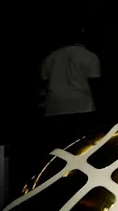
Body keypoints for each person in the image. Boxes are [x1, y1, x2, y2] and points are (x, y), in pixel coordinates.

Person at [38, 23, 102, 152]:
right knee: (81, 147)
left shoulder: (51, 57)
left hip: (55, 107)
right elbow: (95, 84)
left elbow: (43, 84)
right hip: (82, 107)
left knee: (58, 147)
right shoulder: (89, 56)